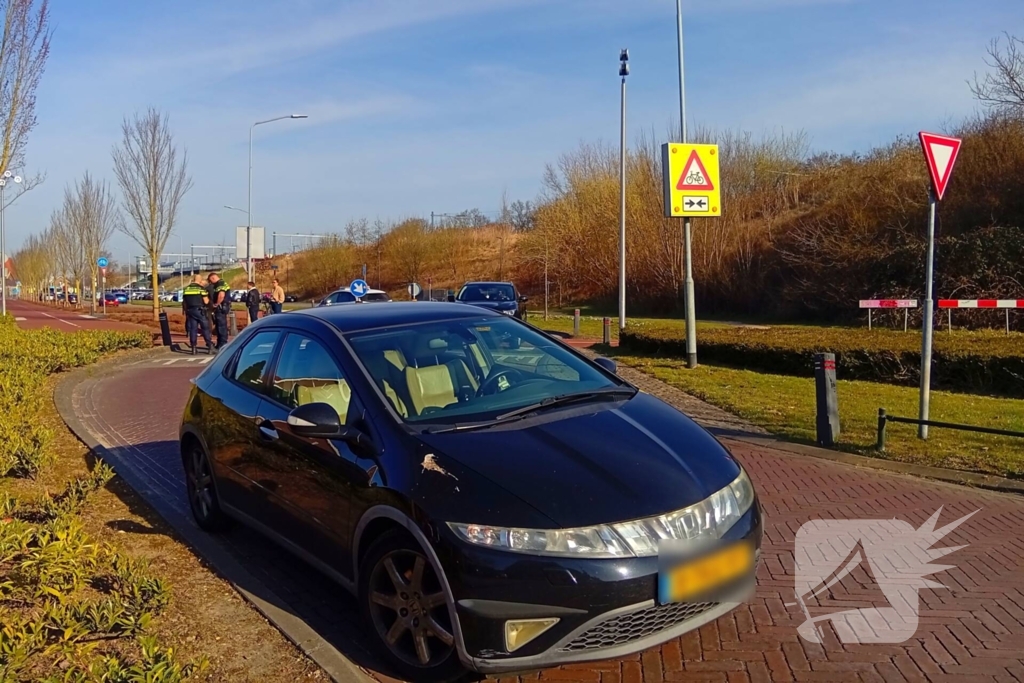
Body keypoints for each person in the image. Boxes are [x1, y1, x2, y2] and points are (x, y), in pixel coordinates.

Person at [181, 275, 213, 355]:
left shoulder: (186, 289)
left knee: (193, 329)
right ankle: (210, 346)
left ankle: (193, 348)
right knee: (205, 328)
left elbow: (184, 301)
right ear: (200, 280)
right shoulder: (200, 289)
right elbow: (206, 301)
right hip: (200, 310)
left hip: (190, 311)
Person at [206, 272, 232, 349]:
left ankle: (223, 343)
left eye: (211, 281)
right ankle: (220, 342)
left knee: (221, 325)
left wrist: (216, 304)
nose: (211, 283)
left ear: (213, 278)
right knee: (219, 325)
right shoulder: (222, 283)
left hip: (221, 306)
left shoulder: (220, 284)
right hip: (223, 306)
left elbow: (221, 295)